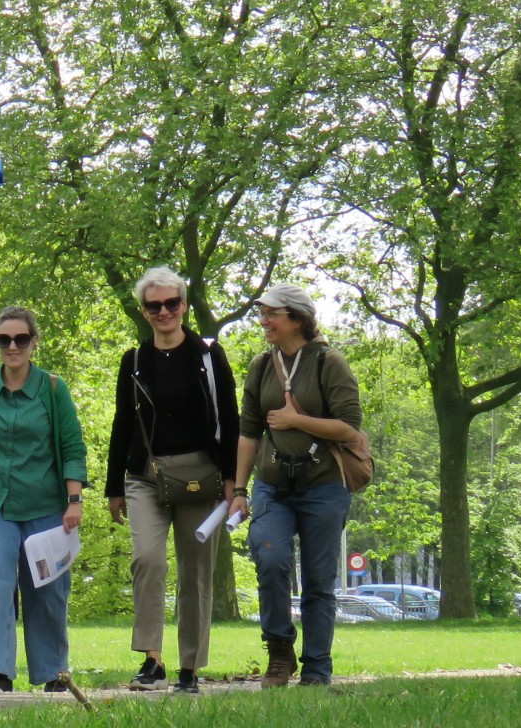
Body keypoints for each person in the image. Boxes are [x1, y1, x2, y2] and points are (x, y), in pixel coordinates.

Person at [104, 267, 239, 694]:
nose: (163, 311)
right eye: (154, 305)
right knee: (148, 558)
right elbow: (123, 422)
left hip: (202, 474)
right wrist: (113, 486)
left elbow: (231, 419)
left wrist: (235, 481)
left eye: (171, 303)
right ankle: (152, 659)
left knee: (196, 572)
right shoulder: (135, 360)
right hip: (146, 475)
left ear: (183, 304)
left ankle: (189, 669)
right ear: (144, 311)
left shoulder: (208, 355)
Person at [225, 283, 363, 687]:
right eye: (262, 313)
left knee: (320, 581)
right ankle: (280, 652)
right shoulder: (261, 366)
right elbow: (249, 431)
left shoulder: (329, 363)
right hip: (273, 485)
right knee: (270, 560)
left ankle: (317, 668)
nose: (264, 321)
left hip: (324, 486)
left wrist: (296, 420)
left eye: (272, 314)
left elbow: (349, 427)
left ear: (297, 319)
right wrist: (238, 490)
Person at [0, 306, 87, 692]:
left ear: (33, 342)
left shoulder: (53, 389)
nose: (12, 346)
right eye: (4, 339)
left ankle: (53, 672)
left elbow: (73, 448)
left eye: (20, 339)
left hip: (44, 504)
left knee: (48, 589)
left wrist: (74, 500)